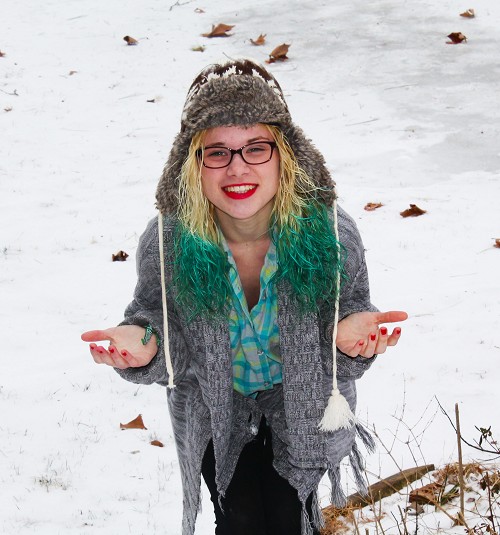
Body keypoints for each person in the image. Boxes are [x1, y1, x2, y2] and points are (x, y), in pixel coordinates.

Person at [82, 59, 407, 535]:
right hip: (216, 407)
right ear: (192, 163)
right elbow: (160, 327)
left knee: (289, 515)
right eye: (217, 152)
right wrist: (145, 343)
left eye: (256, 148)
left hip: (301, 405)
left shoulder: (330, 234)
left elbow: (348, 318)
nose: (237, 167)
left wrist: (348, 337)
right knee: (240, 518)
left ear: (286, 154)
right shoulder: (169, 242)